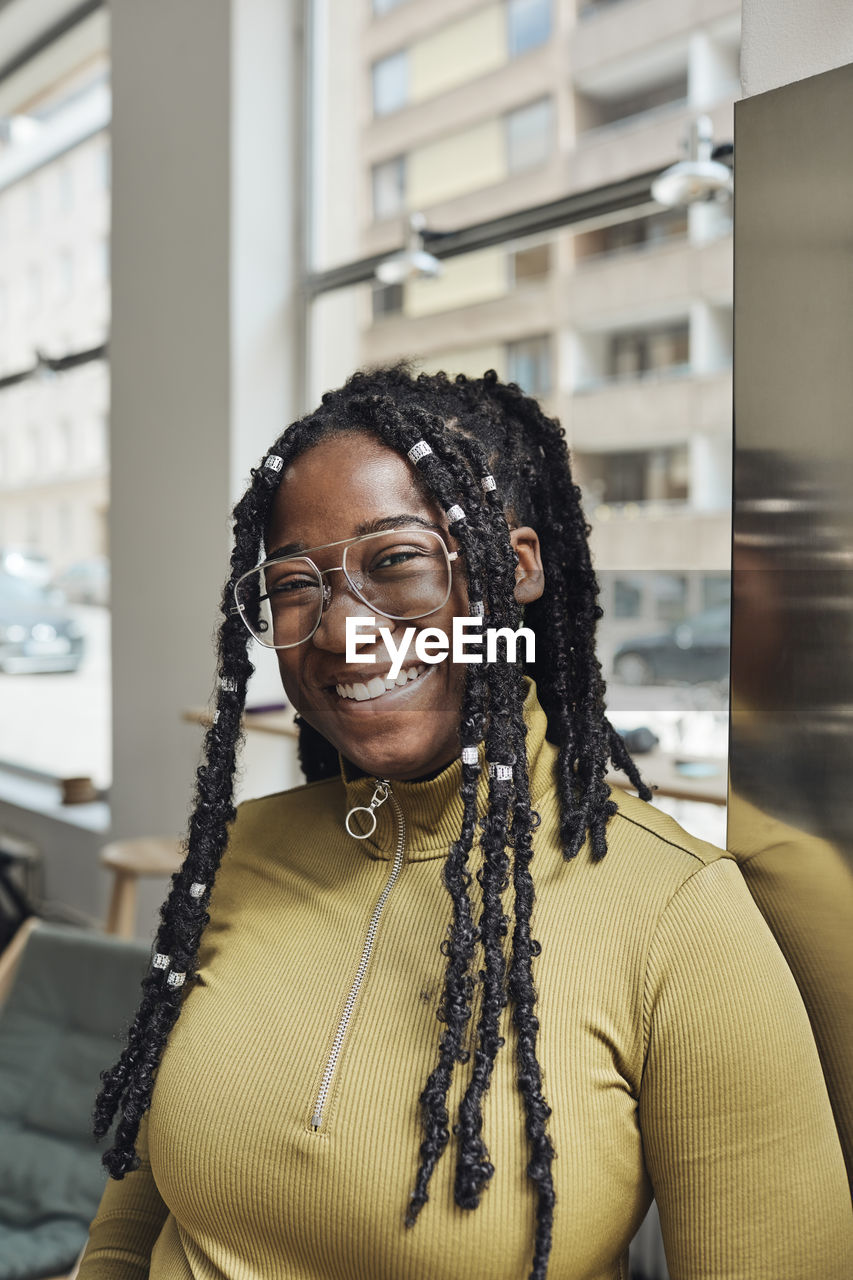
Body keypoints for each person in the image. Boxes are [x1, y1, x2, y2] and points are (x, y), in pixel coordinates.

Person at [78, 367, 851, 1280]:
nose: (341, 632)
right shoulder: (243, 853)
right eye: (294, 583)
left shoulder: (678, 916)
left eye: (395, 561)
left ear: (514, 566)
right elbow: (131, 1230)